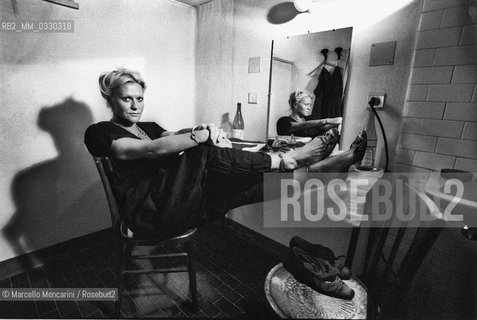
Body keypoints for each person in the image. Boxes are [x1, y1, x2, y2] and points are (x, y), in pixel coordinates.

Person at [84, 68, 366, 240]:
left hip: (180, 203)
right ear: (110, 100)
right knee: (203, 151)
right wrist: (201, 137)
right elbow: (150, 149)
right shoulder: (100, 131)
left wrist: (200, 127)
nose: (135, 106)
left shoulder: (148, 126)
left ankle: (316, 171)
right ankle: (289, 159)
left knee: (246, 187)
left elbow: (170, 136)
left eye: (140, 98)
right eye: (126, 99)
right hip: (150, 215)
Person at [277, 90, 342, 137]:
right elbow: (301, 126)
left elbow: (323, 128)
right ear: (295, 105)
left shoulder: (309, 119)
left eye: (310, 105)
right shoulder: (283, 122)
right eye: (306, 104)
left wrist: (340, 122)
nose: (309, 108)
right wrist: (327, 121)